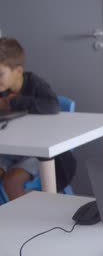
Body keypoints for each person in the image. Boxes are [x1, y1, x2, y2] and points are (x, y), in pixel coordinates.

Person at [0, 37, 60, 200]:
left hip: (35, 153)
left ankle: (23, 222)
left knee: (11, 181)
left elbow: (53, 106)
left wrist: (14, 101)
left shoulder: (34, 84)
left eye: (0, 74)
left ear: (18, 71)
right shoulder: (2, 89)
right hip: (8, 150)